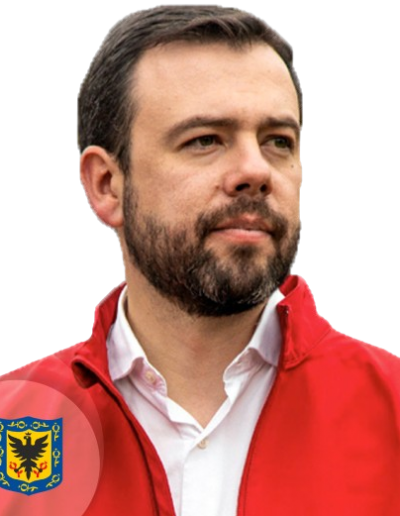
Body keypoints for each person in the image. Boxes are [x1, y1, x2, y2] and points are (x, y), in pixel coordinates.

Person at [1, 4, 399, 516]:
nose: (255, 170)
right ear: (107, 184)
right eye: (205, 140)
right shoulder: (15, 425)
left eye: (278, 142)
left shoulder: (394, 412)